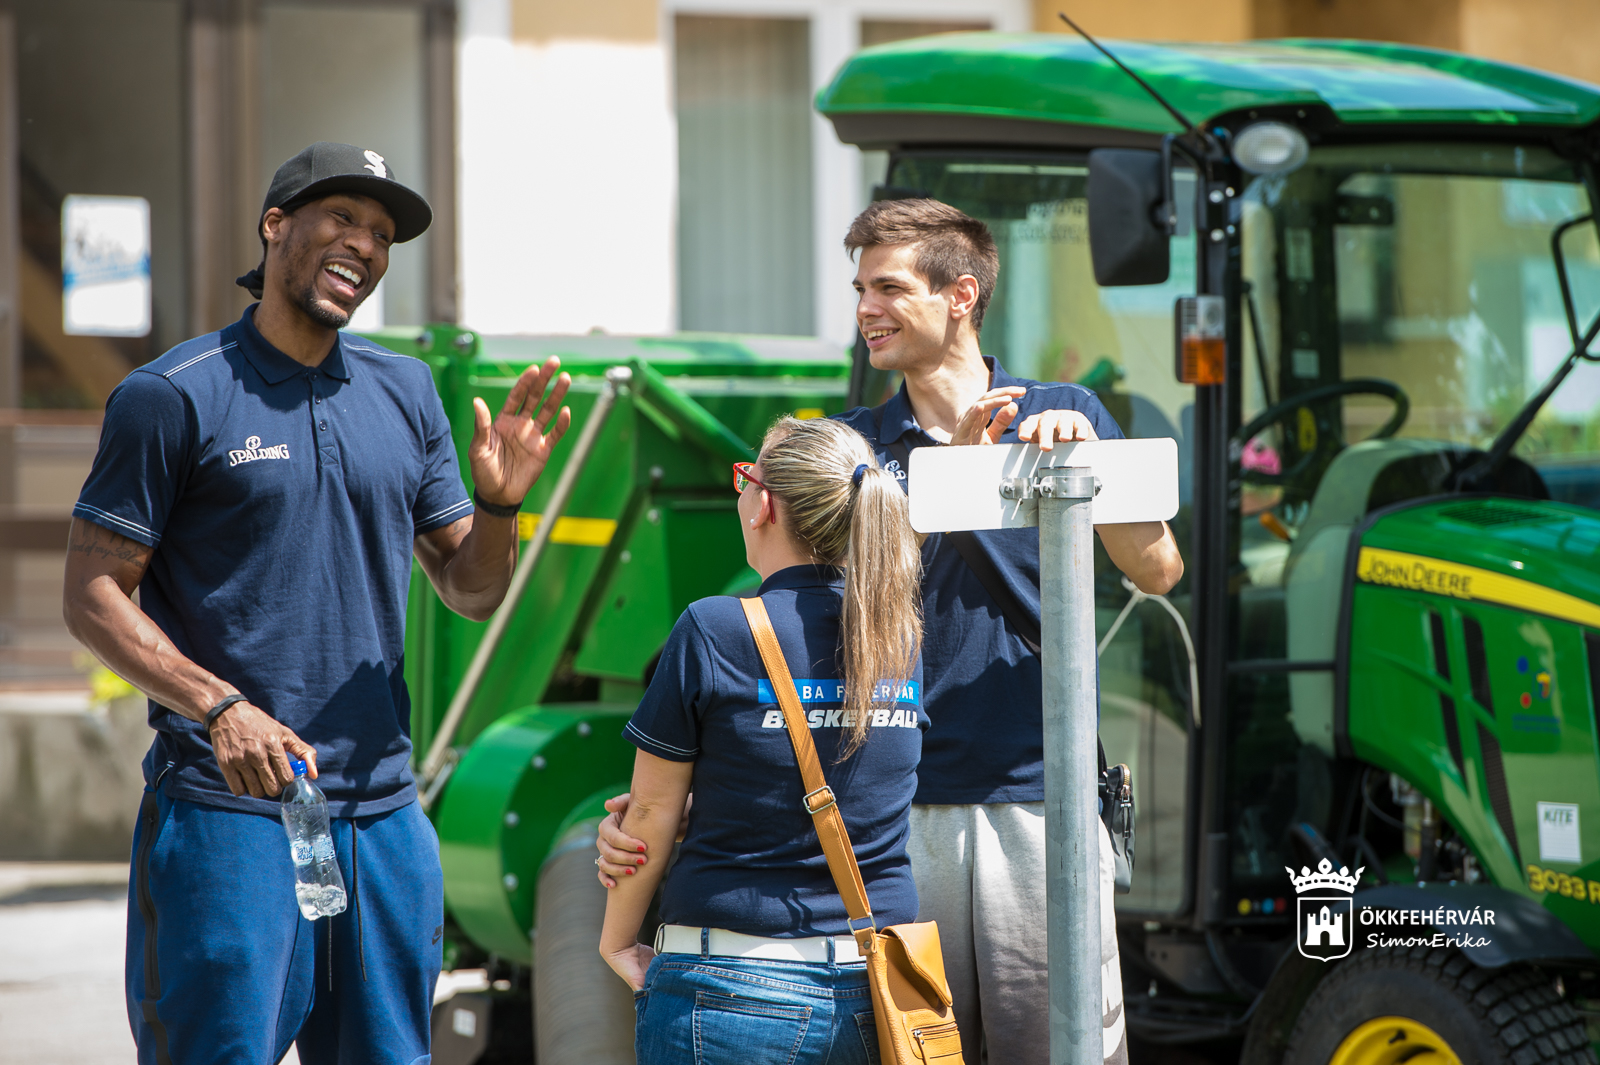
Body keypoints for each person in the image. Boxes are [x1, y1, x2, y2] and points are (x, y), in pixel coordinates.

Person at [600, 198, 1184, 1065]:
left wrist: (1073, 474)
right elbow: (790, 628)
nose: (865, 307)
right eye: (858, 287)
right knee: (916, 1052)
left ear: (962, 294)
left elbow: (1159, 569)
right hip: (891, 825)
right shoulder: (853, 447)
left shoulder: (1066, 413)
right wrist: (668, 809)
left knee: (1058, 1052)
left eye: (888, 286)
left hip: (1042, 804)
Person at [62, 141, 572, 1065]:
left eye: (382, 234)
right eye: (342, 217)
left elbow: (470, 587)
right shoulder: (172, 395)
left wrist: (499, 506)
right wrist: (218, 704)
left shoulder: (404, 389)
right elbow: (94, 593)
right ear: (275, 226)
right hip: (231, 813)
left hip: (379, 813)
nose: (366, 245)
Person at [600, 416, 926, 1065]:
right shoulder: (900, 638)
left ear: (765, 504)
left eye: (744, 479)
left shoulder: (713, 628)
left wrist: (616, 939)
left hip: (727, 990)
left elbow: (650, 812)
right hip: (878, 990)